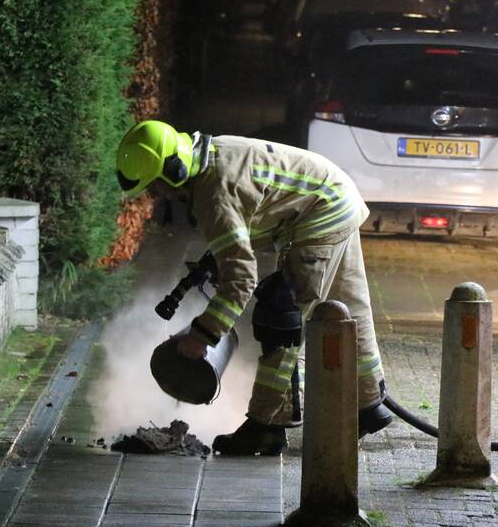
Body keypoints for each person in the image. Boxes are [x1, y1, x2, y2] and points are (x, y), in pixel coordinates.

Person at [115, 120, 392, 455]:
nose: (158, 196)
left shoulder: (212, 193)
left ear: (172, 171)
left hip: (321, 213)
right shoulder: (211, 154)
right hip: (336, 197)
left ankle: (266, 426)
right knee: (350, 308)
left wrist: (202, 336)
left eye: (156, 187)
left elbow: (241, 279)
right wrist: (221, 255)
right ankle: (368, 403)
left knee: (281, 318)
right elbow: (260, 208)